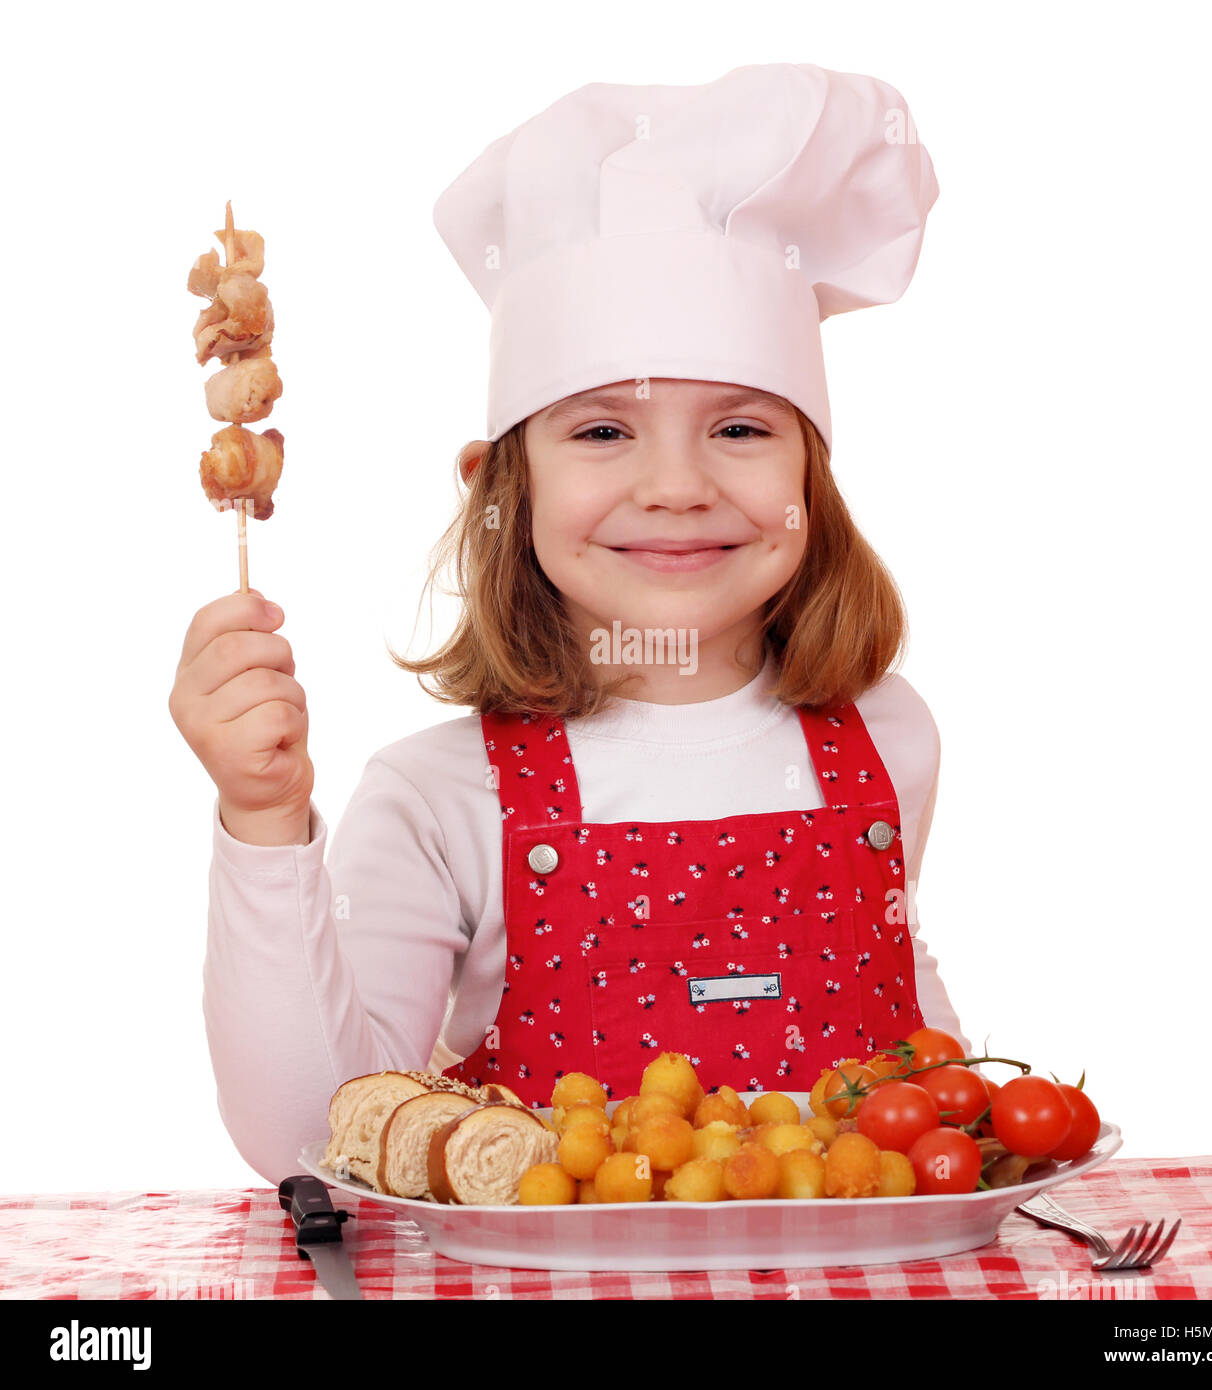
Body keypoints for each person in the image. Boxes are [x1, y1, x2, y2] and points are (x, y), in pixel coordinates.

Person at [170, 62, 970, 1184]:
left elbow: (909, 1034)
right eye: (601, 432)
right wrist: (262, 820)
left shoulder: (889, 735)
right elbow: (313, 1137)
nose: (677, 486)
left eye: (741, 429)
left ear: (811, 478)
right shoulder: (437, 798)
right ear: (501, 486)